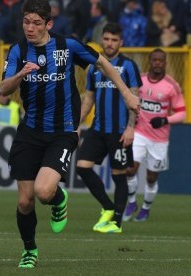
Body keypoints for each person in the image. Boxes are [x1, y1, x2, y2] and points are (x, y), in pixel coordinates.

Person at [0, 0, 139, 268]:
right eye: (26, 22)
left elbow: (104, 64)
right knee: (25, 201)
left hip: (62, 132)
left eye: (36, 23)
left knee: (43, 191)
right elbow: (4, 88)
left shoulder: (68, 45)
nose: (30, 28)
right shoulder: (18, 50)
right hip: (29, 132)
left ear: (48, 24)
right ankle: (29, 250)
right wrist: (20, 74)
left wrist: (126, 93)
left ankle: (59, 197)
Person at [76, 23, 142, 234]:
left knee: (118, 174)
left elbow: (134, 98)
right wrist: (78, 124)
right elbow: (89, 99)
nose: (110, 43)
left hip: (119, 130)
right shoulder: (95, 66)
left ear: (121, 42)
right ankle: (108, 207)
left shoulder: (128, 66)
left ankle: (117, 222)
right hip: (97, 129)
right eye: (107, 39)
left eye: (114, 40)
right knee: (82, 167)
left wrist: (131, 128)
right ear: (102, 40)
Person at [123, 48, 186, 222]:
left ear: (165, 63)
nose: (157, 63)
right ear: (149, 61)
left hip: (159, 139)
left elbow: (182, 113)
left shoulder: (171, 86)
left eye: (161, 60)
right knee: (130, 168)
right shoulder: (140, 81)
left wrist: (165, 120)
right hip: (139, 133)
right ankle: (131, 202)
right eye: (154, 60)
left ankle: (146, 208)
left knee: (151, 177)